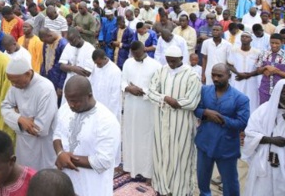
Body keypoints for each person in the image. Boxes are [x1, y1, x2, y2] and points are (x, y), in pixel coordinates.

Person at [147, 45, 202, 196]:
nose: (170, 64)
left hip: (182, 122)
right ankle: (162, 185)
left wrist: (177, 103)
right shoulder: (161, 71)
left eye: (173, 61)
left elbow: (192, 101)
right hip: (161, 120)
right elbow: (150, 91)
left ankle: (180, 189)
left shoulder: (191, 75)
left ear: (181, 59)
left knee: (180, 154)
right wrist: (165, 98)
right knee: (161, 151)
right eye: (168, 61)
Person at [53, 76, 120, 196]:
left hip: (93, 185)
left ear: (89, 96)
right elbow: (57, 135)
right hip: (67, 181)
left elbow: (103, 161)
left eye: (75, 101)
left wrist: (67, 159)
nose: (71, 105)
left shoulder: (106, 120)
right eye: (68, 100)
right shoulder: (64, 110)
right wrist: (60, 153)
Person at [194, 63, 250, 196]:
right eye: (213, 75)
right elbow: (196, 109)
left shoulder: (241, 98)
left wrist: (222, 119)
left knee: (230, 183)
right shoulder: (204, 90)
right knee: (202, 179)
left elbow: (242, 123)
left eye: (220, 75)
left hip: (226, 146)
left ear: (229, 76)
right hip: (204, 143)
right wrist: (206, 112)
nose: (215, 78)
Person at [1, 53, 58, 170]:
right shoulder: (16, 86)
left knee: (42, 180)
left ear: (28, 73)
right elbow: (5, 107)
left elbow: (40, 129)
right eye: (11, 81)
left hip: (41, 147)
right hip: (22, 145)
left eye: (16, 81)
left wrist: (13, 116)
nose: (13, 85)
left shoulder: (45, 88)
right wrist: (20, 119)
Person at [121, 41, 162, 182]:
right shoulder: (127, 63)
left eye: (137, 54)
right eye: (133, 54)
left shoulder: (156, 65)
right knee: (130, 135)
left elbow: (158, 88)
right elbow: (122, 81)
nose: (135, 57)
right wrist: (128, 88)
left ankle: (146, 170)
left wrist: (142, 90)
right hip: (131, 106)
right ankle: (130, 166)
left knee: (145, 137)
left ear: (144, 50)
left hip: (147, 107)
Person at [242, 79, 285, 196]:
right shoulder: (263, 110)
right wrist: (271, 140)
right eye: (284, 93)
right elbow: (250, 133)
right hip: (265, 163)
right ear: (278, 92)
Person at [227, 31, 262, 113]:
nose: (244, 38)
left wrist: (248, 75)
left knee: (251, 101)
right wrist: (239, 73)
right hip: (237, 79)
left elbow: (260, 69)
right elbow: (229, 64)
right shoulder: (234, 50)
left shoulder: (257, 52)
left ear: (251, 40)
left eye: (247, 37)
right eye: (242, 36)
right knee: (236, 99)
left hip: (251, 81)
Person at [39, 27, 69, 103]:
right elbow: (45, 61)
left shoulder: (63, 44)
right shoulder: (46, 43)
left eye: (45, 41)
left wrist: (61, 86)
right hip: (47, 79)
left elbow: (65, 67)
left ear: (49, 35)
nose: (45, 43)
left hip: (58, 81)